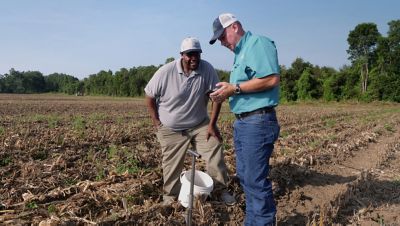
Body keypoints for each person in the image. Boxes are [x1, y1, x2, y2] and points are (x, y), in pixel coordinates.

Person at [144, 37, 236, 206]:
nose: (194, 58)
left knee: (214, 148)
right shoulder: (165, 72)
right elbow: (149, 96)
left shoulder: (207, 69)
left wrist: (212, 124)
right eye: (190, 54)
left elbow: (217, 97)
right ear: (182, 55)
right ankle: (170, 197)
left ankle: (220, 190)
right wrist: (156, 122)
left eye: (197, 54)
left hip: (199, 124)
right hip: (172, 128)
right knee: (171, 164)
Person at [209, 13, 281, 225]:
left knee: (255, 181)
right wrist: (227, 89)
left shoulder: (257, 43)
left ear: (235, 27)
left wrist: (234, 88)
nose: (222, 43)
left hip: (257, 122)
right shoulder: (240, 54)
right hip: (245, 122)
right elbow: (243, 86)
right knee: (246, 178)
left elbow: (271, 79)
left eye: (222, 37)